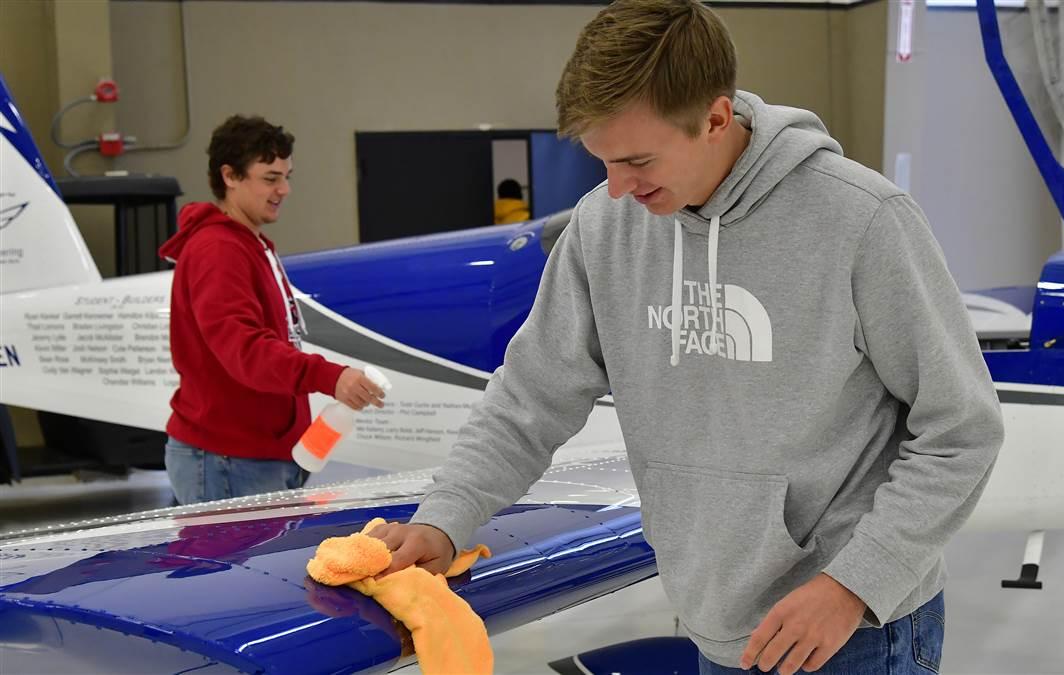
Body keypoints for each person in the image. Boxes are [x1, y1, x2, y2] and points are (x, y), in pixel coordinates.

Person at [368, 1, 1003, 673]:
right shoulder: (603, 229)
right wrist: (445, 516)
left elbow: (961, 429)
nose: (616, 190)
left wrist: (854, 583)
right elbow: (530, 395)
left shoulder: (863, 221)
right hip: (717, 625)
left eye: (638, 160)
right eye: (601, 163)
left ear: (716, 119)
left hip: (854, 630)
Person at [159, 115, 385, 506]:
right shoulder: (219, 250)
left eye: (287, 176)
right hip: (228, 461)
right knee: (233, 569)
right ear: (230, 176)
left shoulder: (251, 243)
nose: (284, 189)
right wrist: (330, 377)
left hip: (255, 456)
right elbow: (245, 349)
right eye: (270, 178)